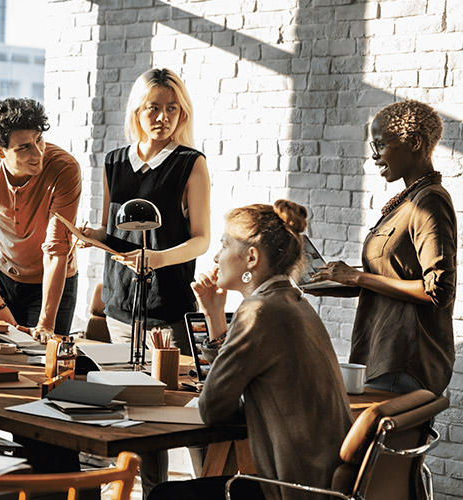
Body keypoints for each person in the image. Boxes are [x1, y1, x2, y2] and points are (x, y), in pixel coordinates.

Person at [150, 200, 353, 500]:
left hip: (294, 489)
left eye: (224, 245)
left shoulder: (258, 312)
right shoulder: (293, 303)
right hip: (326, 483)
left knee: (163, 496)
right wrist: (214, 315)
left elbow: (213, 407)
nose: (217, 256)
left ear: (251, 257)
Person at [312, 100, 457, 395]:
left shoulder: (429, 201)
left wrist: (359, 278)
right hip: (381, 357)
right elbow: (393, 276)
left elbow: (438, 290)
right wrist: (336, 279)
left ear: (414, 142)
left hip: (403, 361)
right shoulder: (408, 201)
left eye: (380, 146)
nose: (375, 156)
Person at [80, 67, 211, 352]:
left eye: (172, 109)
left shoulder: (190, 163)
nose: (163, 117)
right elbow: (110, 230)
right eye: (154, 108)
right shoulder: (114, 162)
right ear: (138, 110)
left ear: (182, 113)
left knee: (168, 392)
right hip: (119, 307)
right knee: (124, 392)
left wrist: (158, 259)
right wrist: (91, 234)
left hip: (169, 309)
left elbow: (202, 240)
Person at [0, 98, 81, 340]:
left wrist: (45, 324)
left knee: (46, 361)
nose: (37, 154)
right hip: (1, 272)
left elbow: (56, 250)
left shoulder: (65, 169)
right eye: (24, 147)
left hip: (51, 280)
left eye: (39, 140)